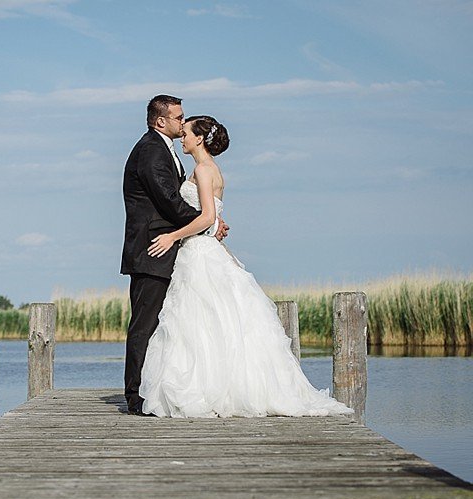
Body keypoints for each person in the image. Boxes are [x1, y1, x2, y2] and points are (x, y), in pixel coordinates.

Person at [138, 115, 352, 418]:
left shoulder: (202, 169)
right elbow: (210, 217)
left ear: (199, 139)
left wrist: (172, 236)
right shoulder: (210, 170)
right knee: (206, 323)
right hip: (203, 249)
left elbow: (206, 218)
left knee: (199, 321)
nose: (182, 136)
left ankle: (207, 390)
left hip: (199, 252)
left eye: (185, 132)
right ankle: (216, 387)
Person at [120, 96, 229, 416]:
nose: (183, 123)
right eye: (178, 118)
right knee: (145, 324)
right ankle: (135, 396)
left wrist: (210, 219)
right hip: (153, 249)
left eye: (184, 119)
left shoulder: (169, 151)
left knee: (173, 324)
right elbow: (169, 201)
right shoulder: (152, 150)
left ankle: (161, 388)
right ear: (160, 122)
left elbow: (185, 200)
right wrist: (207, 225)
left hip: (173, 249)